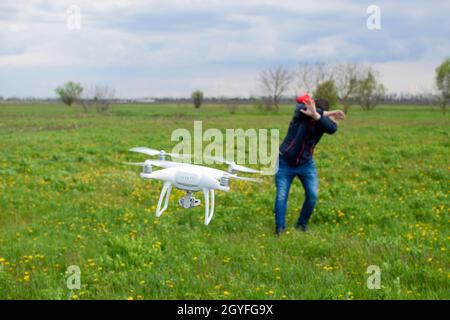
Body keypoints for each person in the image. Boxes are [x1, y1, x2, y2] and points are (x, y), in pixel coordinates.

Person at [274, 95, 345, 236]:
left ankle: (302, 224)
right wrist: (319, 112)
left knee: (312, 195)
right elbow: (300, 106)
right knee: (281, 196)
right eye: (313, 111)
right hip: (284, 162)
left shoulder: (322, 123)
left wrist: (318, 116)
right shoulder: (301, 114)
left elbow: (333, 129)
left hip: (306, 164)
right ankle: (279, 230)